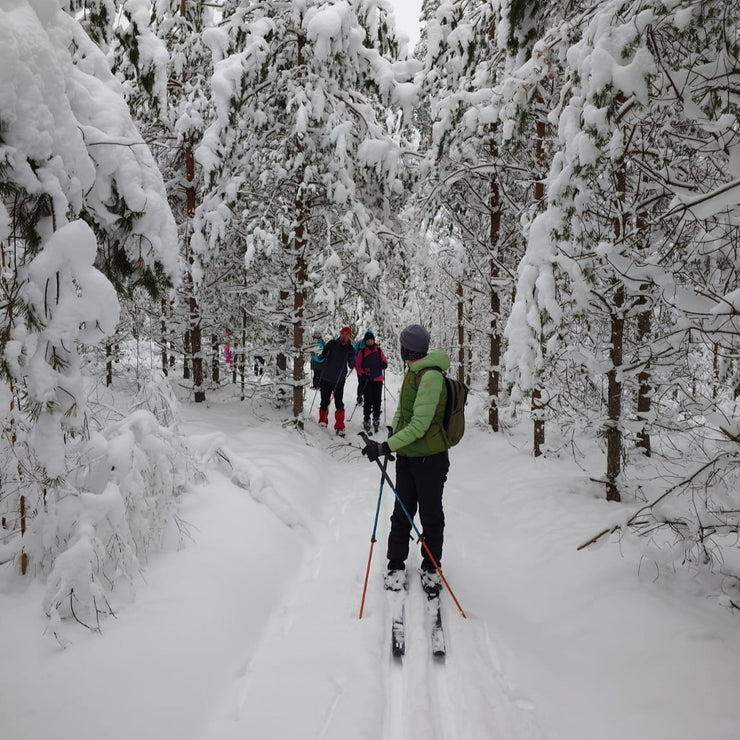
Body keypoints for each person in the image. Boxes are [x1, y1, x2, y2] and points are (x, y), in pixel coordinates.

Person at [360, 324, 450, 597]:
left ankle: (431, 568)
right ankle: (395, 564)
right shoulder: (414, 371)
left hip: (430, 460)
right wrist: (392, 432)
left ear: (407, 349)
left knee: (431, 515)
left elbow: (420, 425)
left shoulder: (431, 376)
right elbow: (404, 410)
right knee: (402, 511)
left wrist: (385, 446)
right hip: (409, 458)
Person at [318, 326, 356, 436]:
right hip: (326, 377)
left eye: (346, 334)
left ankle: (339, 426)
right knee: (324, 401)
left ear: (350, 336)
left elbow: (352, 365)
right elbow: (322, 357)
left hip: (339, 380)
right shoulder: (332, 344)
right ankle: (322, 421)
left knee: (339, 403)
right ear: (340, 334)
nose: (344, 335)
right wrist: (326, 350)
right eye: (342, 333)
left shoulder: (350, 349)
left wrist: (352, 356)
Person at [355, 331, 388, 433]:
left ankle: (376, 418)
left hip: (378, 379)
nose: (370, 342)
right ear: (365, 341)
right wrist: (362, 373)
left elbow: (384, 360)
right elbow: (358, 366)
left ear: (373, 340)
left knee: (377, 400)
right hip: (367, 380)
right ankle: (366, 419)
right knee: (368, 400)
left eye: (371, 340)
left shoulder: (378, 350)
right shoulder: (362, 352)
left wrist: (384, 364)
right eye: (368, 340)